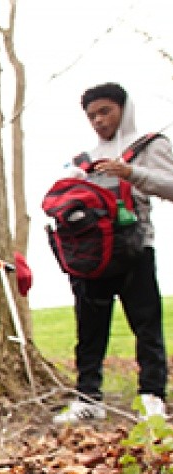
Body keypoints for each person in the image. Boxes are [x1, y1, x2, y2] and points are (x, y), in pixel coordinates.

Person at [52, 83, 173, 423]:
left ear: (124, 108)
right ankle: (88, 397)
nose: (99, 121)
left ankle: (152, 396)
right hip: (92, 257)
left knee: (146, 325)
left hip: (135, 250)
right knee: (89, 331)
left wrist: (132, 173)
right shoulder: (85, 158)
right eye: (92, 116)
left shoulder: (149, 146)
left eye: (105, 111)